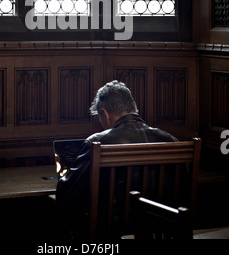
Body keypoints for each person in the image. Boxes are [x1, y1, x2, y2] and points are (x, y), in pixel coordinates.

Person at [55, 80, 178, 239]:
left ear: (105, 114)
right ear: (133, 108)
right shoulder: (169, 140)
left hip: (112, 231)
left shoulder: (97, 143)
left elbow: (68, 193)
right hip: (160, 227)